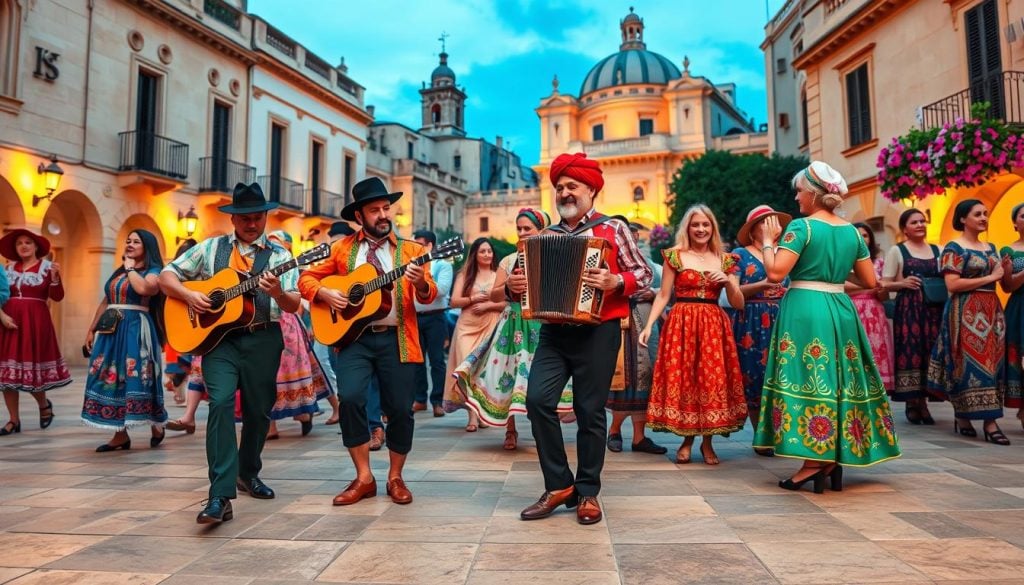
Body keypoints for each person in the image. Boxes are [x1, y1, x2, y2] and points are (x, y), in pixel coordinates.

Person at [509, 152, 652, 525]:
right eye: (559, 187)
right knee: (538, 401)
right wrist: (513, 286)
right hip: (554, 331)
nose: (564, 193)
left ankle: (588, 491)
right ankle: (559, 485)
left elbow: (644, 273)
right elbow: (519, 284)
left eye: (572, 186)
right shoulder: (546, 236)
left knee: (590, 412)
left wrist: (616, 281)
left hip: (599, 332)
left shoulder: (613, 230)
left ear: (591, 189)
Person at [754, 161, 901, 493]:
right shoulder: (851, 232)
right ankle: (833, 457)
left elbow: (776, 273)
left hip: (805, 309)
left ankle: (812, 462)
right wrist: (833, 274)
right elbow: (869, 281)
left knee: (807, 376)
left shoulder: (802, 228)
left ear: (813, 195)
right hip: (840, 308)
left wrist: (767, 241)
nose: (796, 198)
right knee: (837, 380)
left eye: (799, 191)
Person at [159, 182, 301, 524]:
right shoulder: (210, 249)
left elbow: (294, 303)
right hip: (220, 342)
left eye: (257, 218)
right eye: (245, 219)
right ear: (233, 219)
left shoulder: (281, 256)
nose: (251, 224)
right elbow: (166, 276)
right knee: (220, 403)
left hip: (263, 338)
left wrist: (279, 292)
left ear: (265, 217)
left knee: (258, 412)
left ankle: (247, 472)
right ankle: (219, 495)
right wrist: (189, 296)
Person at [298, 177, 437, 507]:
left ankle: (395, 477)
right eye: (374, 210)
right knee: (350, 398)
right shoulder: (341, 249)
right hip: (353, 339)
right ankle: (363, 477)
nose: (383, 215)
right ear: (359, 216)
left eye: (386, 208)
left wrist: (419, 284)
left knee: (401, 409)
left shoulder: (413, 252)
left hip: (398, 338)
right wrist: (324, 293)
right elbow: (305, 278)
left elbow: (430, 295)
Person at [453, 208, 573, 450]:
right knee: (509, 376)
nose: (521, 233)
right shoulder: (509, 260)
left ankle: (545, 429)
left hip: (544, 324)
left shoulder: (556, 256)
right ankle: (510, 430)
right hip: (514, 323)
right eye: (519, 228)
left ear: (543, 231)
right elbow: (496, 293)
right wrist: (508, 285)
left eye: (527, 228)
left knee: (545, 379)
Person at [641, 205, 748, 465]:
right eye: (695, 225)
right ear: (687, 228)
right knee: (686, 379)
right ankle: (687, 440)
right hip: (682, 322)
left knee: (711, 381)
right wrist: (648, 325)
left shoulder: (726, 260)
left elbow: (738, 303)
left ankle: (708, 444)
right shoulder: (675, 256)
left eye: (705, 224)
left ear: (713, 228)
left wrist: (728, 281)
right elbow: (664, 294)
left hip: (713, 324)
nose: (701, 229)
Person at [927, 199, 1009, 444]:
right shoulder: (954, 248)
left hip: (993, 312)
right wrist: (990, 276)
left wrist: (1004, 273)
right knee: (967, 364)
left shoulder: (992, 247)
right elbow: (952, 284)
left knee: (994, 365)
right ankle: (983, 421)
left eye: (986, 213)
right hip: (965, 312)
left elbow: (1003, 282)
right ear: (963, 219)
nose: (984, 217)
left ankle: (981, 418)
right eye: (977, 214)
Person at [81, 229, 168, 450]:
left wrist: (130, 268)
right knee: (110, 375)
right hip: (111, 329)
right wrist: (91, 329)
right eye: (128, 241)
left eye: (136, 242)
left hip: (135, 328)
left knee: (138, 375)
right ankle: (120, 434)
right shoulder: (119, 273)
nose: (130, 244)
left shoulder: (154, 271)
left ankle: (156, 423)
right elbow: (105, 301)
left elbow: (145, 288)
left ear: (146, 247)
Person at [730, 205, 791, 457]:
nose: (771, 225)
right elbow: (733, 292)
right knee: (753, 375)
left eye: (774, 221)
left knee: (783, 374)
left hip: (784, 316)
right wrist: (765, 284)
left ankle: (782, 431)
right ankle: (760, 434)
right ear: (753, 229)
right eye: (764, 222)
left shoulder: (787, 253)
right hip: (752, 319)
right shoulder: (739, 255)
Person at [0, 229, 71, 436]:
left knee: (34, 371)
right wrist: (2, 316)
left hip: (36, 322)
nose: (23, 246)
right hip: (8, 322)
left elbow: (57, 297)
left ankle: (43, 404)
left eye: (28, 242)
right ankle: (13, 420)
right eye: (19, 243)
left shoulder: (48, 268)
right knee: (6, 374)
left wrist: (56, 278)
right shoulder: (7, 269)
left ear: (36, 247)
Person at [605, 222, 667, 456]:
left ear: (636, 237)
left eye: (630, 236)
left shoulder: (651, 266)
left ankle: (640, 437)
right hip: (618, 323)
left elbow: (666, 291)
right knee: (622, 379)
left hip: (645, 322)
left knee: (645, 376)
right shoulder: (609, 265)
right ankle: (614, 430)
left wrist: (653, 293)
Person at [882, 209, 943, 424]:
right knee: (910, 351)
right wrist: (902, 283)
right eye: (914, 222)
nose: (920, 225)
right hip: (909, 309)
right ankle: (912, 402)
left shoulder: (939, 249)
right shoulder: (897, 251)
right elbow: (883, 283)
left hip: (935, 309)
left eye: (922, 221)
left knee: (931, 351)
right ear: (904, 228)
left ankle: (924, 402)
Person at [443, 237, 505, 430]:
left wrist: (488, 305)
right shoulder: (465, 275)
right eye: (482, 251)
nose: (487, 255)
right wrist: (472, 298)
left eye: (489, 251)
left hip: (490, 325)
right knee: (466, 369)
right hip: (467, 327)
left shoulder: (499, 275)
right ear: (475, 254)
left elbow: (507, 303)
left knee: (482, 372)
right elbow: (453, 302)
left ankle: (480, 413)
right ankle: (471, 416)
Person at [847, 223, 895, 393]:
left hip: (875, 312)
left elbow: (884, 295)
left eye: (866, 235)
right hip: (852, 310)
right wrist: (869, 288)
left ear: (871, 239)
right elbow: (841, 288)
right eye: (858, 235)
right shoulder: (844, 262)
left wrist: (881, 289)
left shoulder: (879, 263)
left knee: (876, 350)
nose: (862, 238)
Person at [412, 229, 453, 418]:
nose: (415, 248)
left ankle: (437, 401)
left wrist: (422, 283)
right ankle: (420, 399)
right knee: (417, 361)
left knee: (437, 360)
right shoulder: (409, 265)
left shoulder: (442, 265)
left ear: (429, 246)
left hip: (436, 317)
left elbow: (443, 290)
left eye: (419, 244)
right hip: (414, 316)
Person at [1002, 203, 1024, 429]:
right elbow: (1008, 286)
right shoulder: (1008, 250)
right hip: (1020, 307)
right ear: (1015, 223)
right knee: (1020, 359)